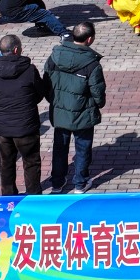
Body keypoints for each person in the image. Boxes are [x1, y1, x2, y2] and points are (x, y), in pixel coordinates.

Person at [42, 24, 106, 194]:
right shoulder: (92, 63)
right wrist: (99, 104)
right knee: (83, 148)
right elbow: (98, 92)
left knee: (59, 148)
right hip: (83, 113)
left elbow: (46, 84)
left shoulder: (54, 57)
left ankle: (57, 183)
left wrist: (55, 101)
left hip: (60, 112)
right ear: (90, 39)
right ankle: (80, 183)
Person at [0, 33, 48, 196]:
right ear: (16, 50)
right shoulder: (30, 70)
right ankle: (33, 197)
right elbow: (40, 93)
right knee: (31, 163)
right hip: (26, 128)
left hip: (3, 129)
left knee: (5, 163)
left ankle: (8, 197)